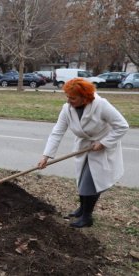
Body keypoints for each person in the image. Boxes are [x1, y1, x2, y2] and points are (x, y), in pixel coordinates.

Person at [37, 78, 129, 228]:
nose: (68, 101)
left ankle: (87, 217)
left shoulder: (101, 105)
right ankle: (82, 209)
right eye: (67, 97)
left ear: (85, 97)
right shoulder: (67, 109)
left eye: (72, 98)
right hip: (83, 147)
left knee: (91, 182)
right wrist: (46, 156)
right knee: (82, 180)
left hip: (102, 147)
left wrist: (104, 143)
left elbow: (122, 126)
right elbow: (57, 132)